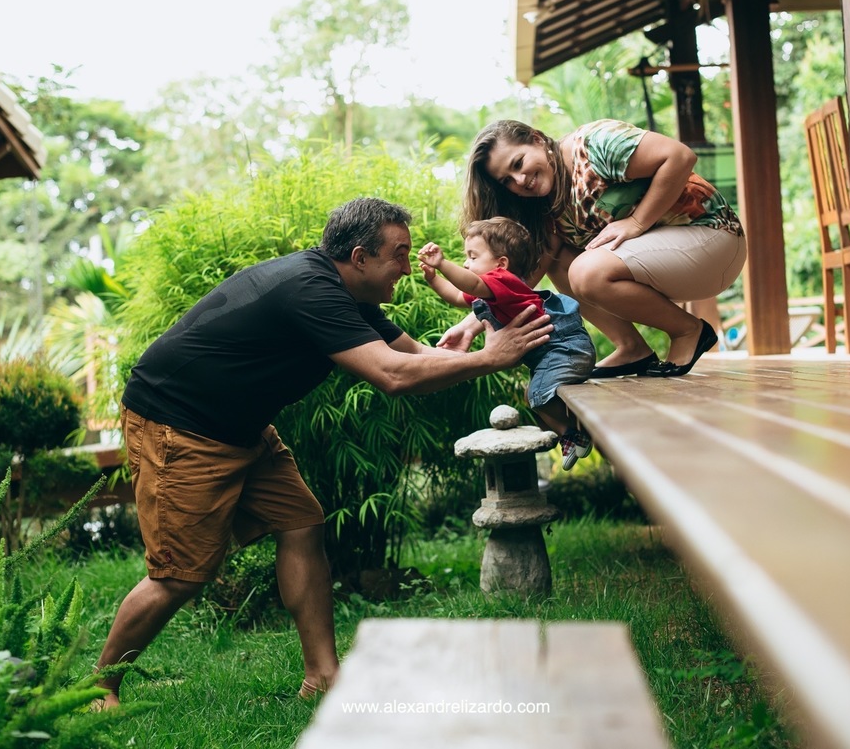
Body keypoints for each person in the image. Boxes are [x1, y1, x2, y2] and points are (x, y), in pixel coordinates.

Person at [93, 197, 552, 707]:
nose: (408, 267)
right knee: (178, 576)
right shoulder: (311, 290)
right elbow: (392, 376)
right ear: (359, 257)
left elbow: (416, 360)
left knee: (301, 524)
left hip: (240, 428)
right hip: (179, 426)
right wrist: (490, 360)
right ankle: (98, 688)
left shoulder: (351, 298)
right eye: (398, 254)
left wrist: (478, 342)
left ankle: (323, 677)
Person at [454, 118, 746, 378]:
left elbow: (680, 156)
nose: (519, 180)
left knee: (586, 270)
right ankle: (631, 347)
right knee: (558, 260)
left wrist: (636, 221)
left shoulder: (594, 145)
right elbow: (522, 278)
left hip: (713, 240)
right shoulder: (547, 204)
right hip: (670, 265)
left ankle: (687, 331)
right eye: (507, 180)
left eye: (518, 163)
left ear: (537, 139)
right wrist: (473, 323)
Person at [418, 217, 596, 469]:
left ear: (501, 264)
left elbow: (470, 284)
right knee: (533, 394)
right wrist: (433, 278)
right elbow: (458, 296)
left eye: (473, 256)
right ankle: (572, 431)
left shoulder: (503, 281)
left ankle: (575, 433)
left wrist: (443, 264)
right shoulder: (491, 290)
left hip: (563, 348)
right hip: (553, 353)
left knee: (538, 395)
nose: (466, 264)